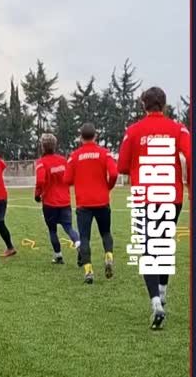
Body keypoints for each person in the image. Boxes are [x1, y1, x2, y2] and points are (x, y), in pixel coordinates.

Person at [117, 86, 191, 329]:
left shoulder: (133, 131)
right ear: (165, 105)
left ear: (143, 105)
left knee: (149, 248)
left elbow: (122, 167)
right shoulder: (178, 129)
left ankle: (156, 302)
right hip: (172, 195)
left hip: (146, 196)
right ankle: (163, 291)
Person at [64, 123, 118, 285]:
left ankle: (88, 271)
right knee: (106, 233)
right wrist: (107, 187)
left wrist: (79, 178)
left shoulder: (74, 156)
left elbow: (66, 180)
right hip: (102, 201)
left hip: (84, 204)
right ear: (96, 136)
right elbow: (114, 173)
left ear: (81, 138)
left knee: (85, 237)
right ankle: (108, 256)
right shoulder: (105, 153)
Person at [34, 133, 81, 265]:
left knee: (52, 230)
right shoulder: (63, 160)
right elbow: (71, 178)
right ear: (55, 146)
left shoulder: (41, 163)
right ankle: (79, 244)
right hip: (65, 201)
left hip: (50, 202)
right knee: (69, 227)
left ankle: (58, 256)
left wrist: (37, 194)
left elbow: (40, 180)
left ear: (43, 147)